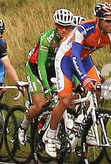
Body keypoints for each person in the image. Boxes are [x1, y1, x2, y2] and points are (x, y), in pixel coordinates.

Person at [45, 2, 111, 155]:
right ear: (98, 20)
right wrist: (84, 79)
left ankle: (84, 125)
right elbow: (74, 56)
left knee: (98, 89)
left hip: (85, 59)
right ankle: (50, 135)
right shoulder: (84, 29)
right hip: (66, 59)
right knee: (66, 99)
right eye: (108, 20)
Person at [22, 9, 78, 148]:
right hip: (36, 68)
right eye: (60, 26)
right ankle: (23, 125)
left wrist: (77, 83)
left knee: (67, 99)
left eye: (67, 27)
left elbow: (73, 64)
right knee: (41, 105)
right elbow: (41, 64)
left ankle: (54, 130)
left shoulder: (72, 40)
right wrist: (46, 87)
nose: (64, 30)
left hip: (55, 69)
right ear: (55, 25)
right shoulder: (47, 38)